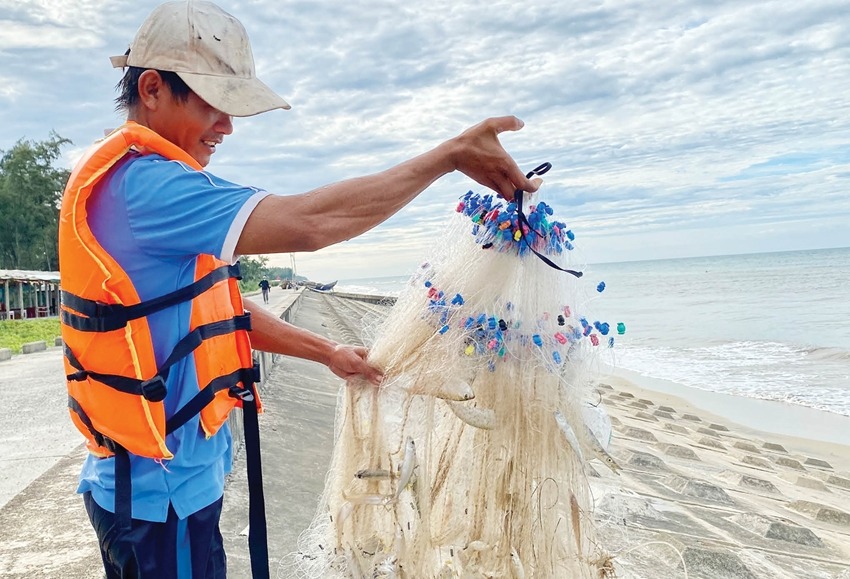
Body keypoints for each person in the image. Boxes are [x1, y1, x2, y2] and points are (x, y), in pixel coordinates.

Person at [58, 1, 539, 578]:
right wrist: (448, 156)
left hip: (172, 486)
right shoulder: (147, 186)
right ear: (155, 89)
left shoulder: (147, 183)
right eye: (215, 103)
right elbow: (312, 224)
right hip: (156, 501)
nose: (227, 126)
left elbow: (219, 308)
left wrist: (328, 353)